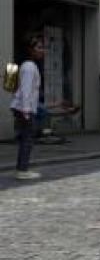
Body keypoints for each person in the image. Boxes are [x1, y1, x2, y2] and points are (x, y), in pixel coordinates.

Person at [9, 33, 45, 180]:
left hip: (23, 107)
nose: (42, 50)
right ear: (30, 50)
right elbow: (25, 89)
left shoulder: (27, 65)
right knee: (27, 139)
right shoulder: (29, 66)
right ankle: (22, 170)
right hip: (25, 108)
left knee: (25, 138)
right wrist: (26, 111)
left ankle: (21, 168)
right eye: (39, 47)